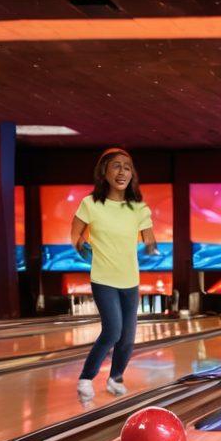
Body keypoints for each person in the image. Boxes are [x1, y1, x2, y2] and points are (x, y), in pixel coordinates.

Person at [71, 147, 157, 400]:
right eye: (116, 166)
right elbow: (76, 234)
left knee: (128, 338)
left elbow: (149, 238)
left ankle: (116, 377)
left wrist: (152, 246)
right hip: (103, 279)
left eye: (127, 167)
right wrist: (82, 248)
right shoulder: (90, 204)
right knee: (112, 332)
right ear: (104, 172)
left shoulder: (138, 208)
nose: (122, 172)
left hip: (130, 280)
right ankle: (86, 377)